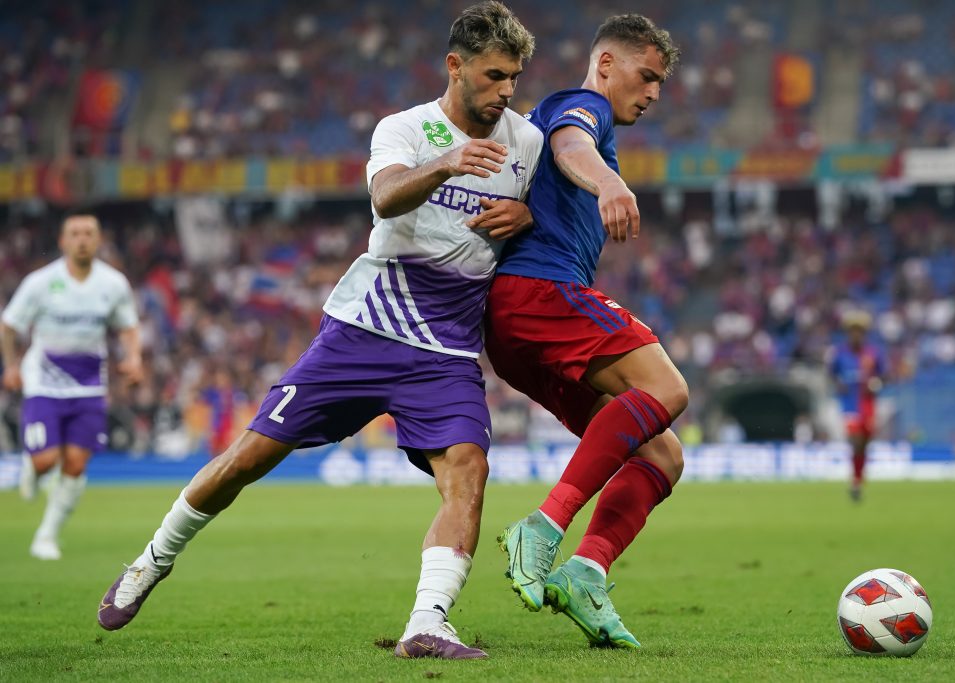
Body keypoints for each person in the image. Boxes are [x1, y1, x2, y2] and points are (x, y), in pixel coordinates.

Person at [96, 1, 542, 661]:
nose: (506, 90)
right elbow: (385, 197)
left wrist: (529, 217)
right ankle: (151, 560)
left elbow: (546, 218)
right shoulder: (405, 128)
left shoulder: (526, 142)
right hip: (366, 328)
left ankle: (427, 623)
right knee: (248, 458)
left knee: (468, 470)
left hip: (446, 346)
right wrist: (446, 164)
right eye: (494, 75)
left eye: (514, 77)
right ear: (456, 66)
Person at [484, 14, 686, 648]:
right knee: (668, 389)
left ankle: (586, 572)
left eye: (659, 83)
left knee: (663, 455)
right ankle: (543, 527)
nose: (652, 93)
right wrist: (610, 183)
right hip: (541, 294)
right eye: (645, 76)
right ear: (605, 64)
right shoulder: (582, 107)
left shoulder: (555, 123)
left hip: (515, 326)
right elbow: (571, 146)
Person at [1, 213, 143, 560]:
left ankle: (46, 536)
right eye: (75, 233)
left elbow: (128, 326)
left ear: (98, 241)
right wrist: (12, 366)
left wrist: (134, 358)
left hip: (89, 384)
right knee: (47, 460)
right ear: (63, 241)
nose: (82, 239)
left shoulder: (113, 284)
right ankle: (35, 467)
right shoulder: (40, 283)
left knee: (77, 464)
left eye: (88, 233)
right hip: (44, 381)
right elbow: (9, 325)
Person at [828, 311, 885, 502]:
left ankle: (857, 479)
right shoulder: (840, 353)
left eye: (859, 331)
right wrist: (838, 383)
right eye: (853, 331)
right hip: (849, 403)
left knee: (864, 443)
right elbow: (831, 373)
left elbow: (884, 375)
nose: (856, 335)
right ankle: (855, 481)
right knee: (856, 439)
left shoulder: (873, 353)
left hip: (868, 403)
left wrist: (876, 383)